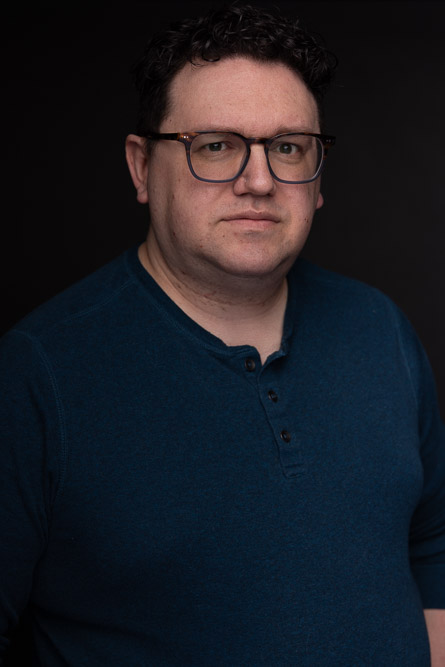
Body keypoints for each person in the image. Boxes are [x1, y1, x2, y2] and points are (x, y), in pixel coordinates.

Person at [1, 3, 444, 665]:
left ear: (318, 174)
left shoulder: (379, 328)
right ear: (141, 167)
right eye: (215, 146)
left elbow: (433, 552)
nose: (259, 181)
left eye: (288, 147)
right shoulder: (37, 375)